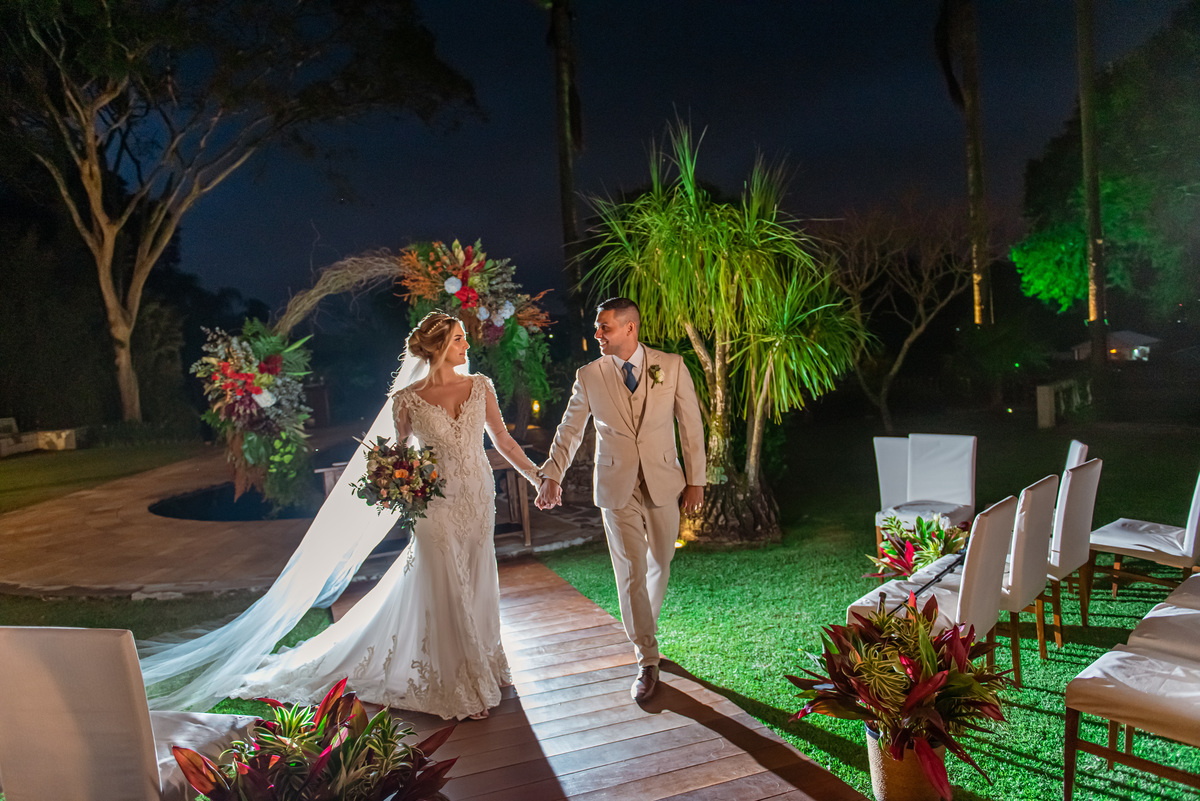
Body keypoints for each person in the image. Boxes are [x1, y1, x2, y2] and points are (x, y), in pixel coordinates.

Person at [233, 311, 542, 720]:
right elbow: (398, 456)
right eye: (458, 339)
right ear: (437, 348)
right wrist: (398, 484)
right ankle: (457, 681)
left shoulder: (480, 385)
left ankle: (485, 660)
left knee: (478, 574)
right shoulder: (407, 399)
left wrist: (536, 475)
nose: (466, 345)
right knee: (445, 582)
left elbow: (501, 438)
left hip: (478, 498)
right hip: (435, 504)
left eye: (464, 338)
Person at [535, 297, 706, 703]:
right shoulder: (589, 375)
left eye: (604, 327)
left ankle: (645, 627)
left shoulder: (672, 365)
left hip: (663, 479)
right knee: (630, 570)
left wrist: (697, 480)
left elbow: (691, 423)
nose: (597, 335)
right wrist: (552, 475)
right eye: (597, 327)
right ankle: (647, 657)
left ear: (630, 328)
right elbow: (569, 429)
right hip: (616, 485)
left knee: (660, 562)